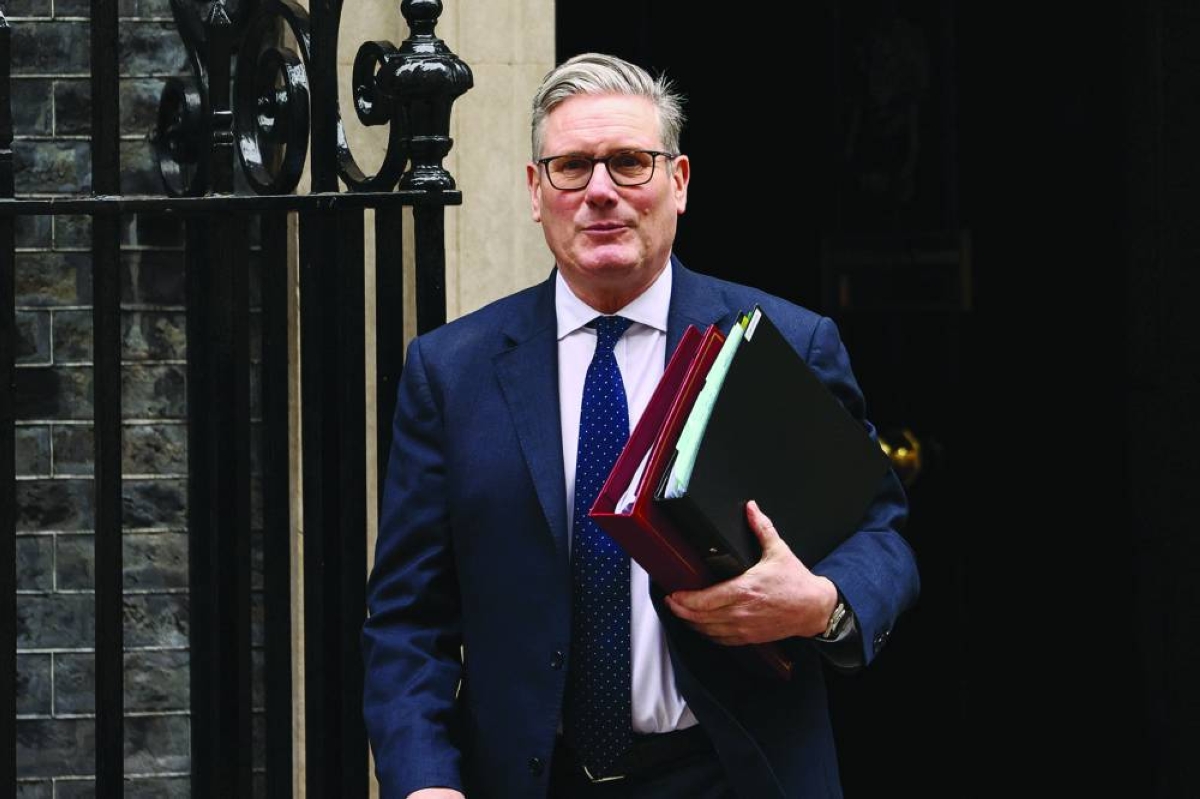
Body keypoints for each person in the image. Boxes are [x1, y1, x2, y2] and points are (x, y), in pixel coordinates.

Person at [362, 52, 920, 799]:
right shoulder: (450, 372)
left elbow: (879, 530)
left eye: (629, 162)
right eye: (571, 167)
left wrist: (823, 601)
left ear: (679, 182)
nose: (600, 192)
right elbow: (406, 621)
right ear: (536, 191)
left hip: (732, 774)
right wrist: (424, 783)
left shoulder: (783, 340)